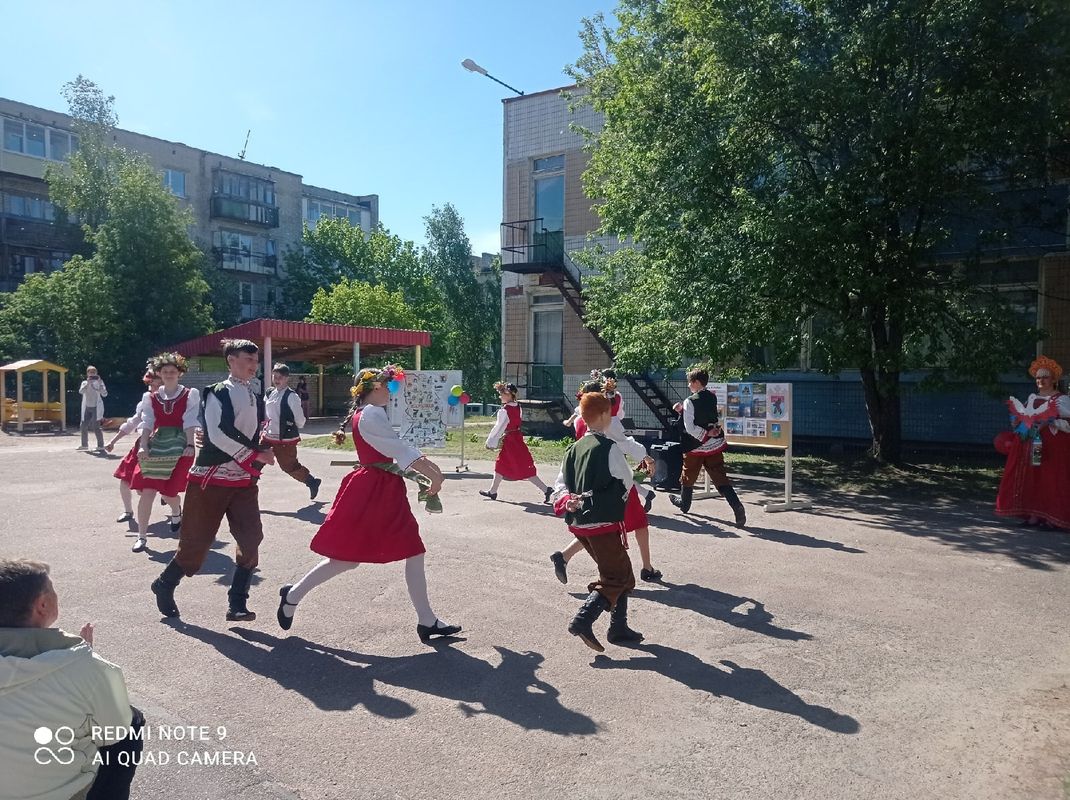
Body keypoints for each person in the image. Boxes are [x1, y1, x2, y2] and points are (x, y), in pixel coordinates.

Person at [276, 365, 461, 642]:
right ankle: (292, 596)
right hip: (373, 490)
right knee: (346, 560)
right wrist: (434, 473)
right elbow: (397, 449)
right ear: (375, 386)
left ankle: (427, 620)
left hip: (382, 488)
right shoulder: (371, 414)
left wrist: (430, 471)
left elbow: (394, 451)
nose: (392, 391)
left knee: (411, 550)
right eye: (390, 386)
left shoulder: (368, 412)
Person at [150, 339, 275, 622]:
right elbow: (216, 434)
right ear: (231, 360)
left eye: (256, 361)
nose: (253, 365)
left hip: (244, 481)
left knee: (251, 538)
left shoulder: (256, 394)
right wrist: (253, 454)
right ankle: (165, 584)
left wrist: (264, 448)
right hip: (211, 479)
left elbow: (255, 431)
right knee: (196, 544)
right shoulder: (217, 392)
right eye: (248, 359)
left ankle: (237, 604)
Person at [0, 558, 144, 800]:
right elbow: (114, 731)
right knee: (131, 725)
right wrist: (83, 661)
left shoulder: (81, 665)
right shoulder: (88, 667)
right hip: (64, 793)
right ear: (42, 605)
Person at [551, 392, 643, 652]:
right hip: (602, 522)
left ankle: (619, 627)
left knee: (622, 572)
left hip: (579, 523)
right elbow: (625, 479)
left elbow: (560, 484)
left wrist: (568, 500)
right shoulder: (608, 447)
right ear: (604, 416)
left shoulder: (573, 448)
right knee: (617, 576)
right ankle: (584, 618)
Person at [551, 381, 663, 584]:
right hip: (611, 480)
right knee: (634, 524)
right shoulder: (606, 423)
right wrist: (645, 457)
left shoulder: (581, 419)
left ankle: (565, 556)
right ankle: (641, 570)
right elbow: (624, 443)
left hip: (587, 478)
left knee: (594, 525)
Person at [129, 353, 199, 553]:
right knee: (148, 491)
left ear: (180, 374)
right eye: (165, 371)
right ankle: (141, 537)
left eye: (173, 372)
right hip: (158, 443)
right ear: (159, 373)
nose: (169, 375)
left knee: (169, 493)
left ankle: (176, 510)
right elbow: (147, 422)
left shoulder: (189, 394)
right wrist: (143, 445)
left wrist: (190, 445)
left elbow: (190, 420)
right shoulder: (150, 397)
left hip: (180, 444)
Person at [995, 356, 1070, 530]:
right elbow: (1024, 417)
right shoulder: (1032, 398)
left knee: (1051, 480)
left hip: (1054, 447)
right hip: (1031, 444)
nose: (1040, 380)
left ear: (1054, 379)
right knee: (1033, 479)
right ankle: (1034, 516)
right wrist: (1018, 423)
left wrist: (1051, 422)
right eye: (1038, 377)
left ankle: (1053, 518)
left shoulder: (1061, 400)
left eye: (1045, 377)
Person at [669, 368, 747, 528]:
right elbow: (704, 414)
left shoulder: (689, 401)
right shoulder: (711, 396)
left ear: (697, 382)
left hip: (696, 446)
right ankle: (737, 507)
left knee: (688, 474)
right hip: (713, 444)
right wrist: (683, 411)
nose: (689, 385)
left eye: (690, 382)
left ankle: (684, 504)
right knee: (720, 476)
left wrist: (704, 433)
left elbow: (690, 427)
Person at [105, 369, 180, 526]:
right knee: (124, 478)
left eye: (157, 383)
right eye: (151, 384)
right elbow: (132, 422)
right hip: (142, 446)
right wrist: (113, 441)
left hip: (164, 447)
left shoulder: (175, 400)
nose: (153, 388)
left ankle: (175, 510)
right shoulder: (145, 401)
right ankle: (128, 511)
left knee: (160, 489)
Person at [479, 381, 552, 503]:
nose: (500, 396)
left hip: (511, 441)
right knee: (502, 464)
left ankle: (546, 489)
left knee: (521, 467)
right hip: (516, 438)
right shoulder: (518, 406)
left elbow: (499, 427)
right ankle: (492, 491)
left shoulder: (505, 410)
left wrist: (490, 442)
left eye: (503, 394)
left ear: (509, 395)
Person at [263, 364, 321, 499]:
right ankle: (245, 489)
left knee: (289, 466)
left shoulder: (292, 396)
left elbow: (300, 420)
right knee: (255, 460)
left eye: (280, 377)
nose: (277, 380)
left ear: (287, 378)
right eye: (275, 376)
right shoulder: (270, 393)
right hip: (268, 435)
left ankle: (311, 481)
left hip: (285, 439)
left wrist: (290, 426)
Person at [77, 366, 107, 452]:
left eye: (94, 372)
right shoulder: (84, 383)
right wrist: (88, 383)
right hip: (86, 406)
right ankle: (84, 445)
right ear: (87, 374)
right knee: (83, 425)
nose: (92, 374)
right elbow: (81, 392)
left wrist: (100, 383)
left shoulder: (99, 383)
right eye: (90, 372)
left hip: (96, 407)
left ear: (96, 373)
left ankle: (101, 445)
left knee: (96, 426)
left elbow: (105, 394)